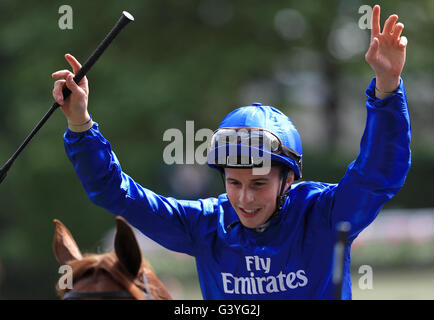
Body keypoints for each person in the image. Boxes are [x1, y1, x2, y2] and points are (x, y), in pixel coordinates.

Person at [52, 5, 410, 299]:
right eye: (234, 183)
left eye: (258, 184)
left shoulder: (325, 215)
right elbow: (114, 192)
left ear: (288, 180)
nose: (244, 198)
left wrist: (387, 86)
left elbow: (378, 173)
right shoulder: (206, 225)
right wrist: (81, 123)